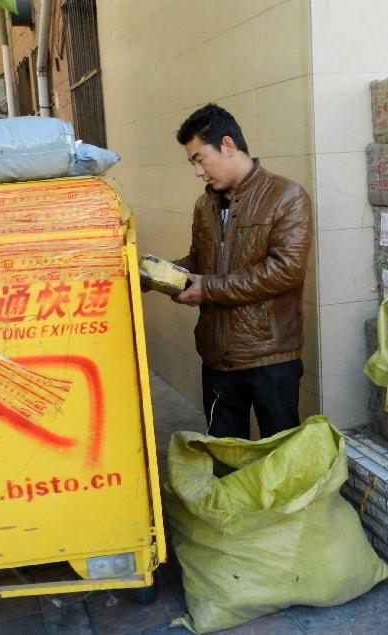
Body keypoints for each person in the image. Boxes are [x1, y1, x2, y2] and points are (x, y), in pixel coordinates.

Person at [170, 103, 312, 439]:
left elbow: (286, 270)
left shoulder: (286, 196)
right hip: (217, 361)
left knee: (279, 464)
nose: (198, 172)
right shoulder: (204, 205)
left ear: (228, 145)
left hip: (270, 358)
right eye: (192, 163)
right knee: (224, 461)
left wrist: (208, 288)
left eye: (200, 159)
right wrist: (161, 274)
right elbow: (199, 261)